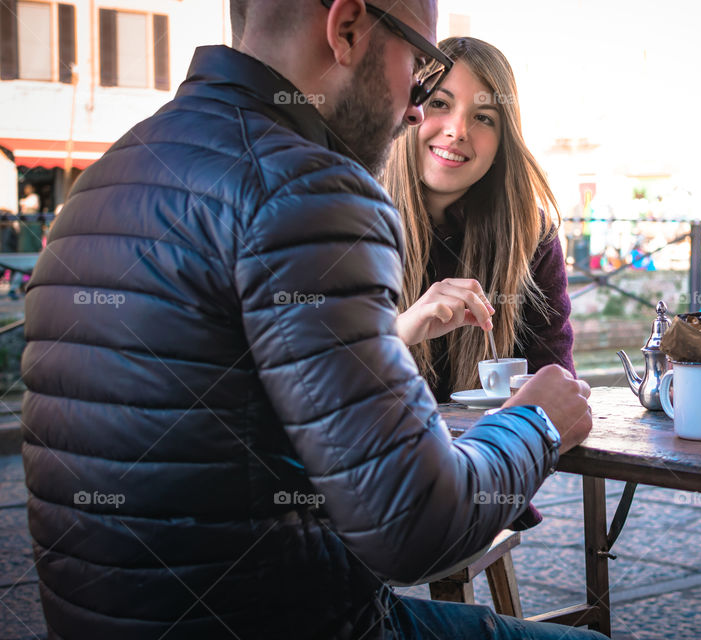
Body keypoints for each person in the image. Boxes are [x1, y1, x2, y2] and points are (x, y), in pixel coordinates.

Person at [21, 1, 597, 639]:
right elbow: (413, 528)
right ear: (348, 28)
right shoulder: (308, 188)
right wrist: (536, 421)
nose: (414, 106)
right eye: (421, 64)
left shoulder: (106, 178)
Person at [384, 37, 574, 404]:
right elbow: (307, 387)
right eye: (440, 103)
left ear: (503, 142)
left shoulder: (531, 237)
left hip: (492, 455)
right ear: (410, 111)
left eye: (483, 117)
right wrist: (399, 332)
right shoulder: (348, 218)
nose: (458, 130)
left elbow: (555, 394)